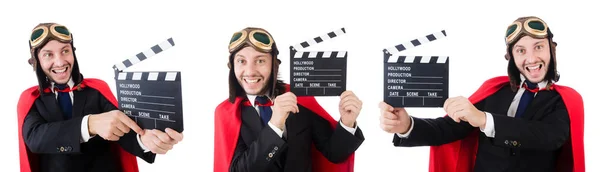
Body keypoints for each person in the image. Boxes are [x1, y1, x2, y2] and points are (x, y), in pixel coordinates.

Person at [379, 16, 584, 172]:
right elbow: (449, 128)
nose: (531, 58)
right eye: (521, 50)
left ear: (551, 50)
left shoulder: (564, 100)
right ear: (511, 57)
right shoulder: (494, 90)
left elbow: (549, 137)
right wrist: (407, 126)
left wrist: (485, 120)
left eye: (538, 47)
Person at [17, 23, 184, 172]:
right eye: (48, 55)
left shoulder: (96, 90)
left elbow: (125, 131)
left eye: (65, 51)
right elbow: (35, 138)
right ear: (36, 61)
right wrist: (89, 124)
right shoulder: (32, 100)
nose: (60, 62)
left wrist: (145, 140)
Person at [214, 27, 365, 172]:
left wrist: (347, 122)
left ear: (274, 65)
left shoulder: (299, 99)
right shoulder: (227, 114)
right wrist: (275, 125)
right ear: (232, 66)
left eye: (260, 61)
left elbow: (334, 154)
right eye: (241, 61)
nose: (250, 71)